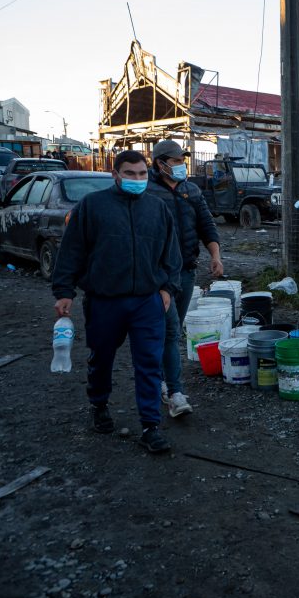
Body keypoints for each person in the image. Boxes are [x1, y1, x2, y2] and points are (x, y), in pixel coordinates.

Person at [52, 150, 181, 454]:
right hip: (104, 300)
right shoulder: (93, 207)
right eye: (130, 174)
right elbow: (72, 251)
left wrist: (167, 289)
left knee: (149, 362)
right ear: (116, 175)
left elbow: (171, 255)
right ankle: (98, 404)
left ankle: (150, 427)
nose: (137, 180)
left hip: (146, 302)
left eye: (142, 174)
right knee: (102, 357)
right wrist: (64, 291)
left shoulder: (157, 208)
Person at [148, 139, 223, 417]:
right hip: (158, 274)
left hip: (186, 271)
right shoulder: (148, 191)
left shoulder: (191, 189)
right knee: (167, 329)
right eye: (177, 161)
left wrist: (215, 256)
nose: (182, 165)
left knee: (173, 329)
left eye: (182, 160)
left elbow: (206, 225)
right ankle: (174, 391)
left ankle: (159, 381)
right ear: (161, 163)